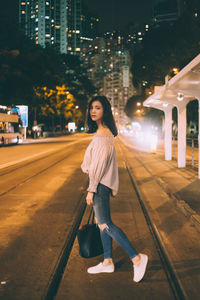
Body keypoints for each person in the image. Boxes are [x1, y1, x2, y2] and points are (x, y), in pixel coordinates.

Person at [81, 96, 148, 282]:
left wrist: (91, 189)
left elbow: (99, 166)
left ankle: (137, 258)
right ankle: (108, 261)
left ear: (105, 111)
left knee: (105, 224)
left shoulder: (103, 135)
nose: (93, 111)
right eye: (91, 108)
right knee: (102, 223)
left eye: (98, 108)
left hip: (99, 186)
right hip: (101, 185)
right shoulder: (102, 132)